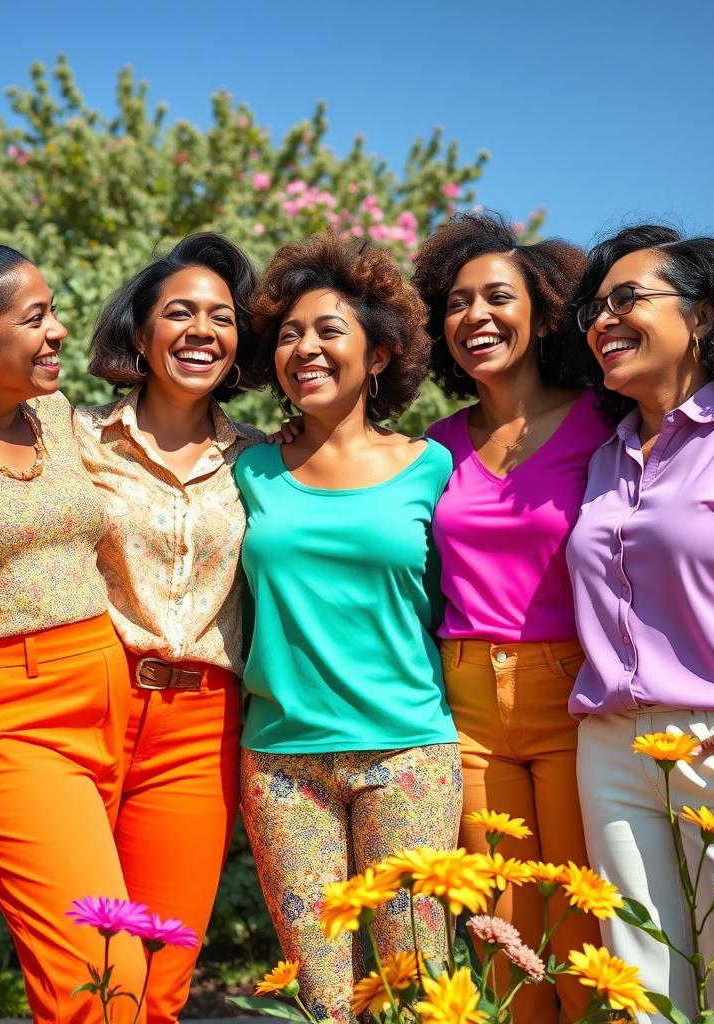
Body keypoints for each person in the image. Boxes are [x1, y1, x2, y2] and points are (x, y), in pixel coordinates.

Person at [236, 233, 461, 1024]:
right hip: (282, 766)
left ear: (378, 355)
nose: (306, 348)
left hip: (408, 755)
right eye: (290, 334)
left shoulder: (433, 467)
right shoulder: (248, 468)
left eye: (329, 331)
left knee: (416, 990)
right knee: (324, 1000)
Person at [0, 244, 145, 1023]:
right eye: (34, 317)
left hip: (107, 691)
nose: (58, 330)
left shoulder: (55, 415)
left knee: (104, 962)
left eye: (53, 310)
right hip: (11, 716)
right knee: (104, 965)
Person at [410, 213, 607, 1023]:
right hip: (466, 708)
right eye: (457, 303)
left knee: (585, 938)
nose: (475, 317)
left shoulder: (607, 420)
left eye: (498, 297)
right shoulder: (436, 444)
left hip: (571, 696)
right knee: (502, 944)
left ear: (544, 311)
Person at [567, 225, 714, 1024]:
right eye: (594, 309)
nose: (603, 320)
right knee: (641, 998)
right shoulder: (607, 454)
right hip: (612, 750)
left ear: (704, 315)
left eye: (626, 299)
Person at [75, 232, 263, 1024]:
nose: (201, 330)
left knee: (161, 973)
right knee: (84, 965)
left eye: (221, 318)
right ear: (141, 333)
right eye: (179, 312)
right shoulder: (72, 439)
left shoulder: (262, 461)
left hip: (200, 727)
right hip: (89, 704)